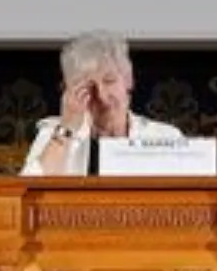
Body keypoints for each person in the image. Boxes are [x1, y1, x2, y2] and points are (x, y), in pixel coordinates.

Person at [21, 30, 183, 175]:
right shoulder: (55, 134)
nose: (102, 96)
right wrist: (66, 129)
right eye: (89, 86)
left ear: (128, 80)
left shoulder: (166, 138)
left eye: (109, 81)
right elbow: (27, 193)